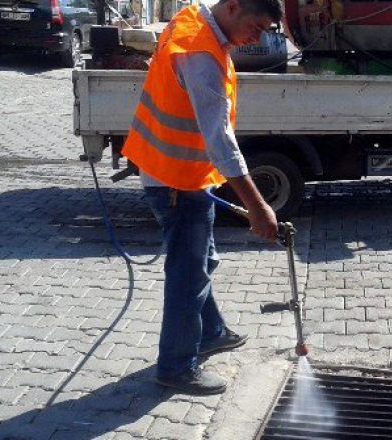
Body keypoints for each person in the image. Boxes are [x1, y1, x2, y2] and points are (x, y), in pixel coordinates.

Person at [121, 0, 284, 395]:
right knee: (187, 274)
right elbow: (219, 139)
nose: (256, 39)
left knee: (201, 260)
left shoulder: (197, 19)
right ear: (232, 7)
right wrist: (258, 207)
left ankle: (211, 331)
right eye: (256, 26)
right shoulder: (200, 52)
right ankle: (176, 366)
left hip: (177, 171)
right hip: (176, 180)